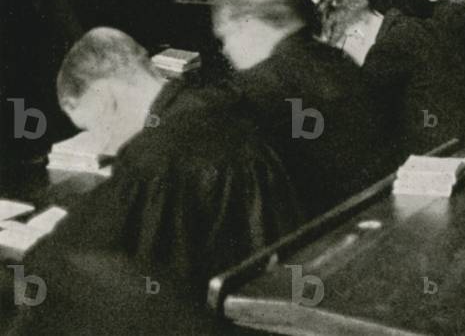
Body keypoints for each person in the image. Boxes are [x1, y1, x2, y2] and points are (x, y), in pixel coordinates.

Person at [3, 28, 302, 332]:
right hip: (259, 306)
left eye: (93, 128)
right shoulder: (221, 108)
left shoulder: (157, 154)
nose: (104, 147)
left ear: (105, 97)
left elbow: (73, 255)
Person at [212, 0, 391, 216]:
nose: (227, 50)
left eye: (226, 37)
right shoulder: (339, 60)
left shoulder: (267, 84)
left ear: (249, 25)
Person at [320, 0, 465, 151]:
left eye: (343, 51)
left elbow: (366, 119)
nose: (348, 59)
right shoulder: (416, 25)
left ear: (356, 35)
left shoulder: (385, 52)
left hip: (447, 150)